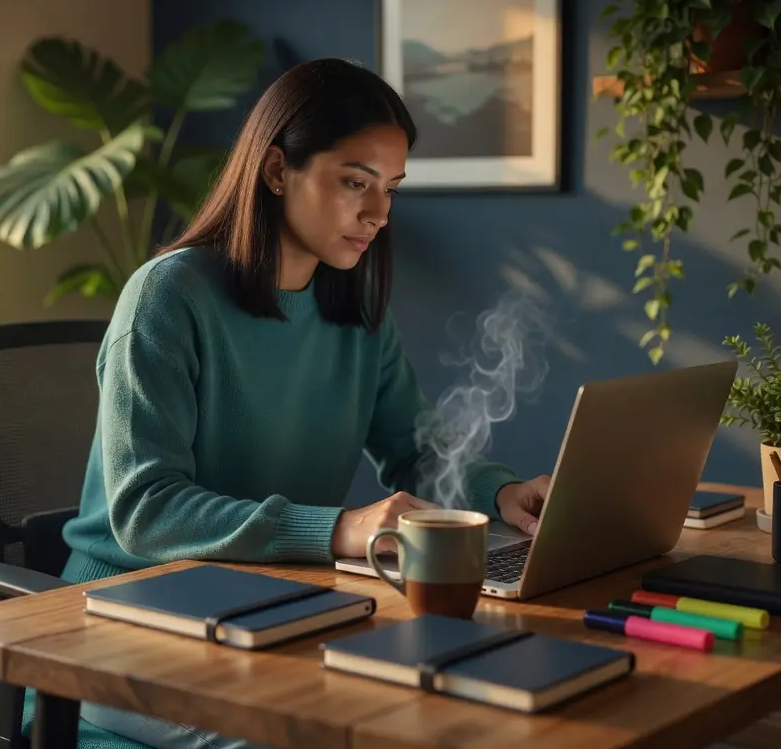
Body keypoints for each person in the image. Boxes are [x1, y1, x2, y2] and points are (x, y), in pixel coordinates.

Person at [54, 57, 549, 749]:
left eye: (391, 190)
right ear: (278, 170)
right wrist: (340, 530)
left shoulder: (356, 312)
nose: (378, 214)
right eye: (355, 182)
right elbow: (146, 508)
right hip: (125, 617)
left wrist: (503, 494)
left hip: (271, 607)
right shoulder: (168, 297)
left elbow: (415, 447)